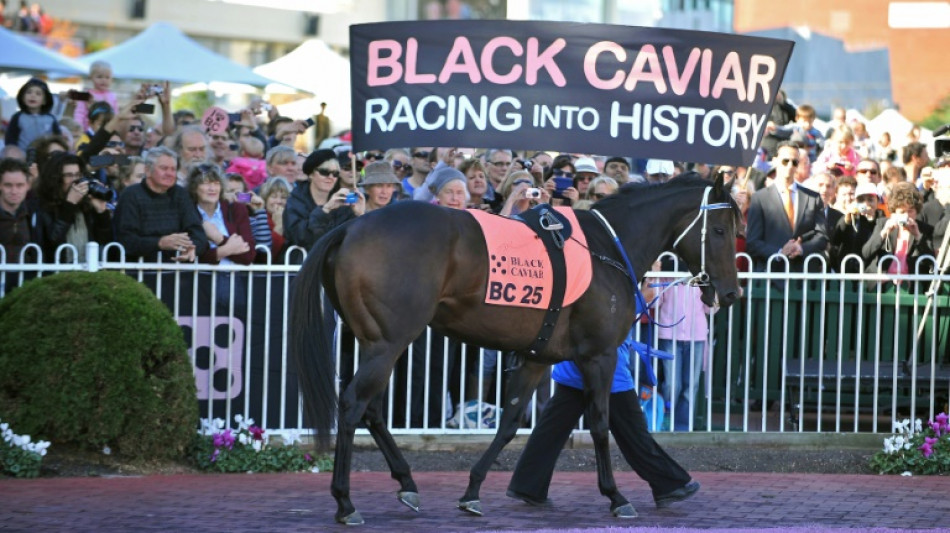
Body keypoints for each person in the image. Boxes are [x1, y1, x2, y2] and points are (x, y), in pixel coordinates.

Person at [507, 329, 699, 510]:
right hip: (606, 371)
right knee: (634, 433)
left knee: (552, 429)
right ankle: (669, 485)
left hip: (576, 367)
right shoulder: (614, 294)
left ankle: (527, 486)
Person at [114, 146, 208, 263]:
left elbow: (198, 235)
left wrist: (193, 248)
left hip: (178, 271)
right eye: (164, 168)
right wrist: (160, 243)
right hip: (139, 271)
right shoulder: (131, 195)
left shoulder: (181, 195)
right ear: (148, 170)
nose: (169, 173)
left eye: (173, 169)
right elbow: (126, 240)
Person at [746, 142, 828, 272]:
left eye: (794, 162)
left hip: (804, 275)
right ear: (775, 161)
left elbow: (822, 236)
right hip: (770, 277)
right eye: (785, 161)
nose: (790, 166)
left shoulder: (813, 198)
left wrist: (802, 248)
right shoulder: (759, 198)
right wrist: (779, 253)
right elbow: (753, 242)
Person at [33, 152, 113, 262]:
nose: (75, 180)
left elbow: (106, 244)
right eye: (69, 175)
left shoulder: (86, 204)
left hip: (87, 273)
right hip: (58, 275)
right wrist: (69, 205)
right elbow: (52, 243)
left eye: (78, 175)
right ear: (56, 178)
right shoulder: (43, 205)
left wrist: (101, 212)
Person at [283, 149, 362, 252]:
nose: (330, 177)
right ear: (311, 174)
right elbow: (300, 237)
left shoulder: (342, 200)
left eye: (335, 174)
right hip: (301, 264)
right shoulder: (295, 201)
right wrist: (324, 211)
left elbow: (354, 239)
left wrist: (360, 214)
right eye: (324, 172)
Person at [862, 181, 933, 289]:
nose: (906, 215)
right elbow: (866, 253)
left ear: (917, 211)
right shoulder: (882, 223)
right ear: (894, 211)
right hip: (882, 284)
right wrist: (884, 232)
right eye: (902, 211)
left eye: (910, 211)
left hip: (910, 286)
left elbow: (931, 261)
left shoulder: (924, 229)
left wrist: (918, 236)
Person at [4, 77, 61, 151]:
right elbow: (10, 139)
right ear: (22, 97)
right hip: (22, 157)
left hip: (44, 156)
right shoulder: (18, 117)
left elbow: (57, 138)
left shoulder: (51, 119)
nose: (33, 96)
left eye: (38, 94)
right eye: (29, 92)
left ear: (45, 100)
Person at [0, 158, 35, 263]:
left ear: (28, 185)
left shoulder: (34, 214)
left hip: (27, 277)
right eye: (8, 185)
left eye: (19, 185)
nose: (14, 191)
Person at [72, 60, 119, 132]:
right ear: (91, 77)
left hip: (107, 131)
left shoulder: (112, 96)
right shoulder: (85, 95)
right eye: (99, 77)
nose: (104, 80)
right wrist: (78, 128)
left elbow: (116, 114)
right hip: (88, 130)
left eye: (107, 77)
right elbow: (79, 113)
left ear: (111, 79)